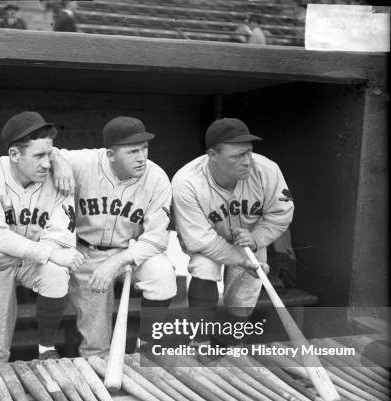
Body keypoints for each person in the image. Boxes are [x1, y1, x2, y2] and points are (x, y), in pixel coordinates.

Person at [51, 116, 177, 357]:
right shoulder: (84, 162)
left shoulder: (157, 177)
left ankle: (148, 348)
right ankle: (98, 368)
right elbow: (49, 152)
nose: (142, 157)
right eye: (132, 151)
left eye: (144, 148)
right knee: (96, 344)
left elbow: (157, 239)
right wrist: (58, 161)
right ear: (110, 155)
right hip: (86, 252)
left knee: (162, 276)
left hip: (132, 250)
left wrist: (118, 261)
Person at [0, 111, 83, 364]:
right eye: (39, 156)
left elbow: (59, 237)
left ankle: (46, 349)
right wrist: (50, 253)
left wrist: (47, 253)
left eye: (50, 154)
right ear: (14, 155)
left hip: (30, 257)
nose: (46, 163)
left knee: (55, 272)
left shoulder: (59, 177)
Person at [171, 118, 294, 346]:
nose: (247, 161)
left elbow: (282, 213)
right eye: (237, 156)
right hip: (209, 239)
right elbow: (200, 239)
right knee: (203, 267)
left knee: (246, 288)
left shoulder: (267, 170)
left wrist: (257, 239)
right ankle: (199, 342)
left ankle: (230, 344)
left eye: (249, 152)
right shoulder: (186, 181)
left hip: (251, 236)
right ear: (212, 155)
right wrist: (238, 260)